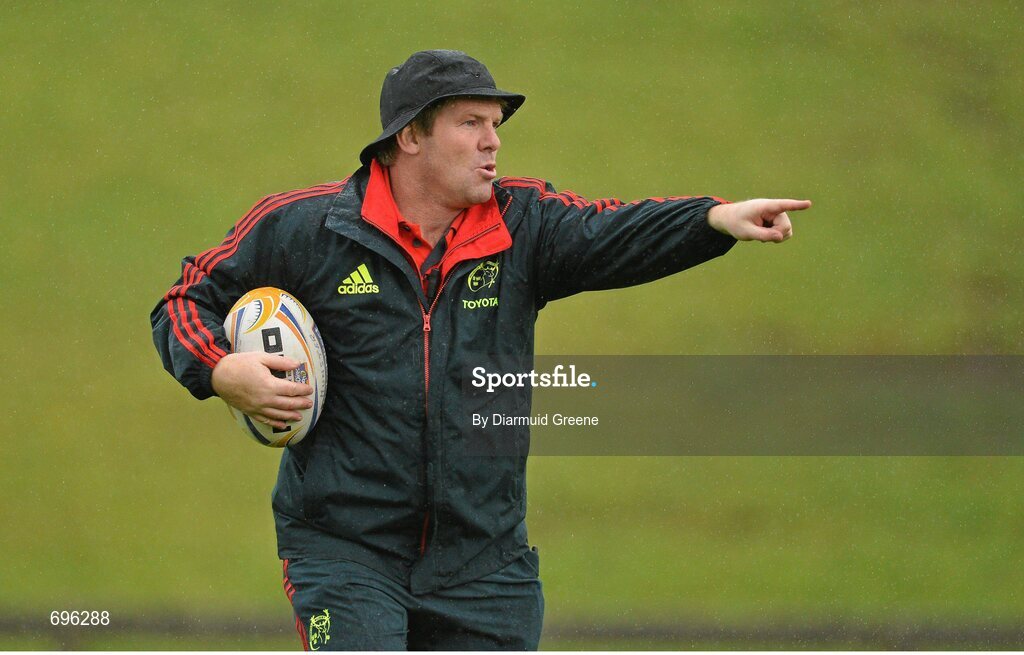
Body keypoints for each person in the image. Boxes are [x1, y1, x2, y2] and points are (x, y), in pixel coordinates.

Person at [151, 49, 811, 651]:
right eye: (471, 123)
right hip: (345, 551)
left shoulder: (523, 224)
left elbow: (613, 230)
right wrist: (221, 368)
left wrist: (714, 221)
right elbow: (185, 298)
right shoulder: (307, 226)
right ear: (410, 136)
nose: (492, 141)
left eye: (495, 124)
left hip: (484, 564)